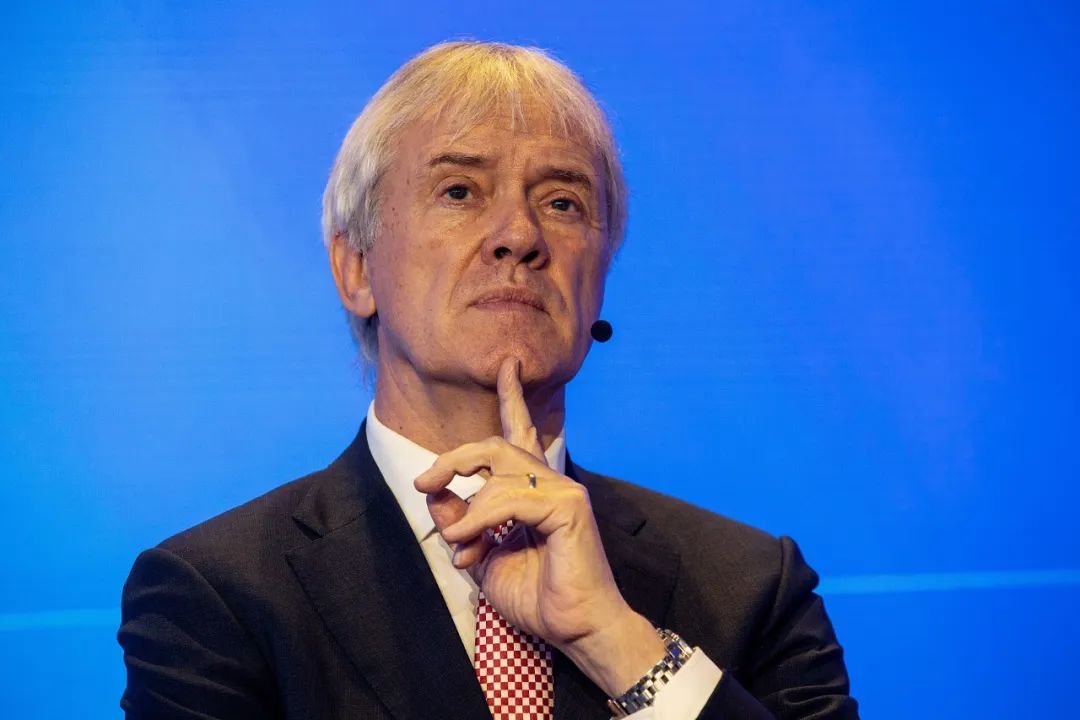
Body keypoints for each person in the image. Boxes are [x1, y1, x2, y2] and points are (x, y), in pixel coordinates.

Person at [118, 41, 859, 719]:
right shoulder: (218, 597)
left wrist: (615, 642)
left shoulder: (752, 588)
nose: (520, 236)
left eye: (562, 202)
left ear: (601, 278)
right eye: (460, 192)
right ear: (356, 269)